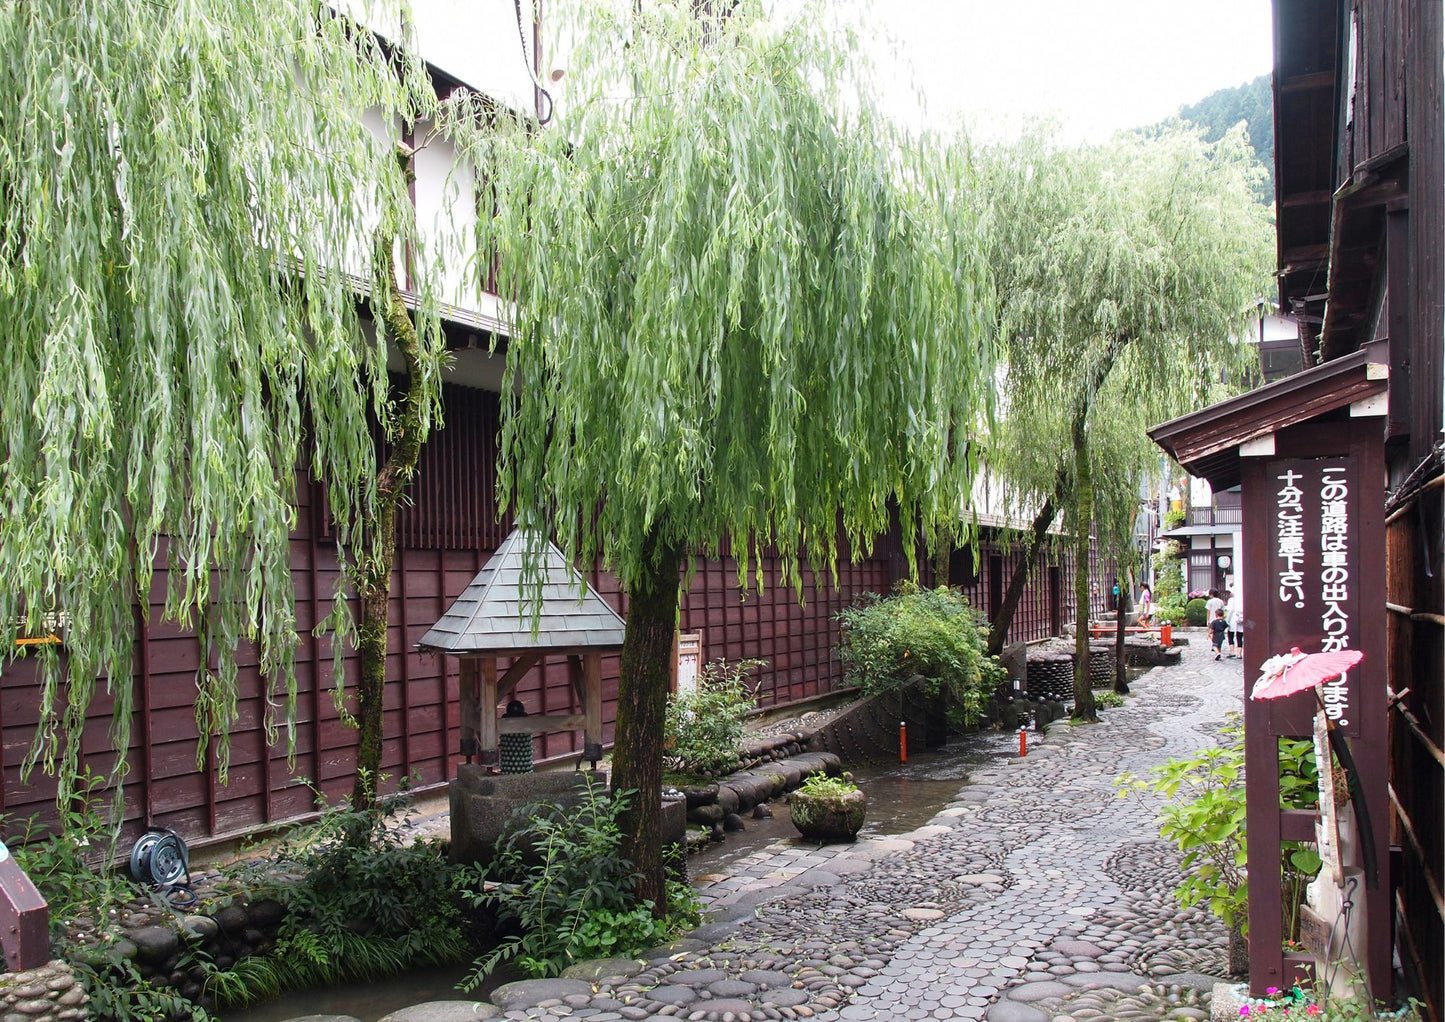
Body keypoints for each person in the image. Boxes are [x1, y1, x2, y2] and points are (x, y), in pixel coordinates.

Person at [1225, 591, 1243, 659]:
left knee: (1230, 635)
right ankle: (1239, 654)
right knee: (1239, 637)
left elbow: (1230, 611)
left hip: (1233, 619)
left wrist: (1227, 621)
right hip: (1241, 619)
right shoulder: (1242, 598)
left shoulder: (1231, 600)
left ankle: (1232, 652)